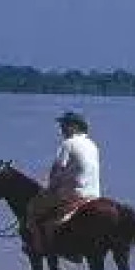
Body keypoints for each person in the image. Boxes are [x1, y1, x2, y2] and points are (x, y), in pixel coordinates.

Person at [26, 109, 101, 255]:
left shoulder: (68, 144)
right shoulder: (92, 145)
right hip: (94, 194)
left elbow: (57, 169)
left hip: (72, 194)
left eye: (65, 125)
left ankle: (40, 247)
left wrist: (49, 188)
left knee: (32, 210)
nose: (61, 128)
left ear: (76, 127)